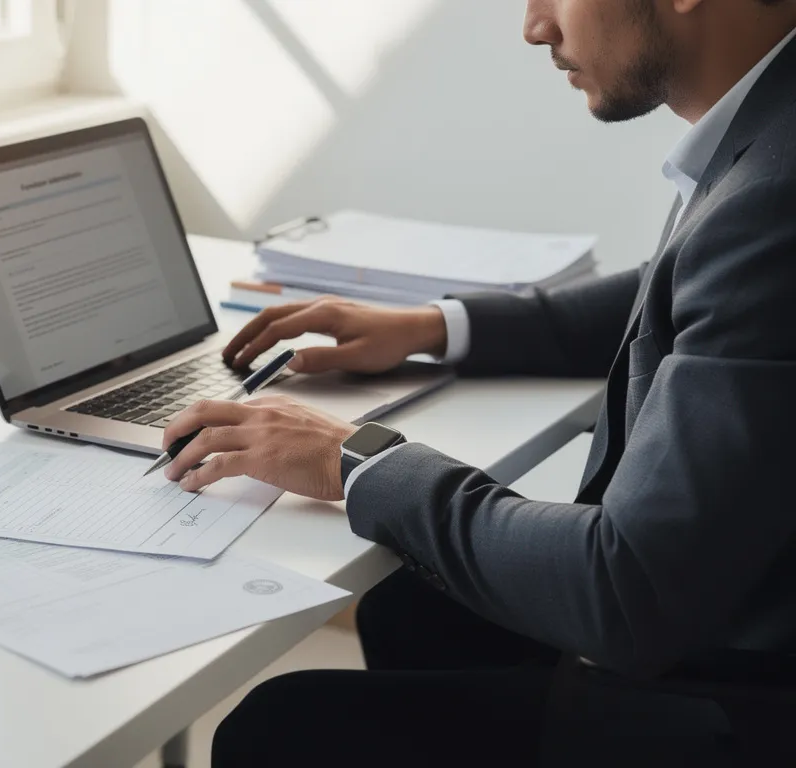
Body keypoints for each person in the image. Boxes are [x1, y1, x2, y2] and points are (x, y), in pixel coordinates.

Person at [168, 0, 796, 765]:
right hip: (737, 616)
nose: (535, 27)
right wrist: (436, 326)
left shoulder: (774, 199)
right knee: (415, 607)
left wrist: (356, 458)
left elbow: (626, 591)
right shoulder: (771, 128)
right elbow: (681, 288)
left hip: (738, 706)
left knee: (278, 729)